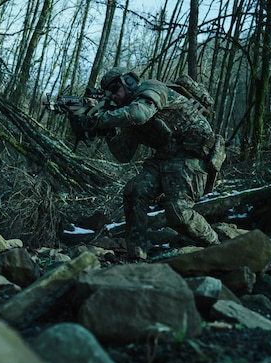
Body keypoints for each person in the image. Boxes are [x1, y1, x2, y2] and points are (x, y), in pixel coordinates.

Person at [79, 67, 221, 260]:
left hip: (193, 154)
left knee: (178, 212)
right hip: (166, 157)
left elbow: (139, 114)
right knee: (134, 191)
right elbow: (124, 154)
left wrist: (100, 118)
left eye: (115, 88)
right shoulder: (127, 110)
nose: (113, 95)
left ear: (128, 81)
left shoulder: (152, 88)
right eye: (108, 93)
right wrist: (108, 131)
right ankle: (137, 255)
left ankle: (216, 244)